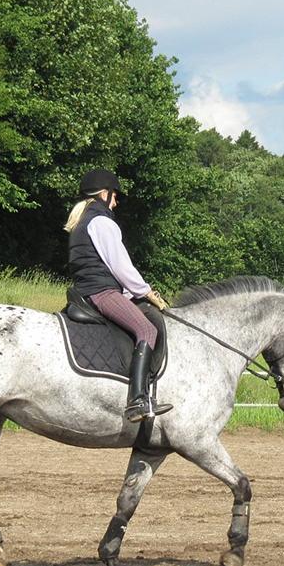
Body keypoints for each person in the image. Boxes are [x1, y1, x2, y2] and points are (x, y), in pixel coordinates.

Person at [65, 168, 172, 422]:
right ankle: (136, 400)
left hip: (87, 290)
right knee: (147, 330)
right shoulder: (102, 221)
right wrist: (147, 292)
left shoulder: (82, 220)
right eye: (115, 196)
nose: (117, 201)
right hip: (102, 292)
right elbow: (121, 266)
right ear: (104, 194)